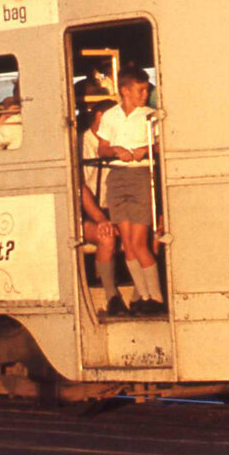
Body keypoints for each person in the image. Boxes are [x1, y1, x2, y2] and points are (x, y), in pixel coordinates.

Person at [96, 68, 165, 315]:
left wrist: (144, 151)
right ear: (125, 91)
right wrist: (115, 151)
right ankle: (143, 296)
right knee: (127, 243)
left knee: (140, 242)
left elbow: (160, 144)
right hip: (118, 177)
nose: (145, 94)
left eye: (146, 89)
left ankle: (156, 298)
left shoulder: (151, 116)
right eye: (140, 90)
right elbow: (101, 149)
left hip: (140, 176)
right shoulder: (110, 116)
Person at [80, 102, 126, 316]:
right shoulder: (78, 143)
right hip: (84, 212)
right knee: (106, 236)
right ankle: (112, 297)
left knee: (143, 236)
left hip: (113, 208)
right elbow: (80, 190)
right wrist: (101, 219)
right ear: (100, 117)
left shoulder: (117, 142)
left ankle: (142, 299)